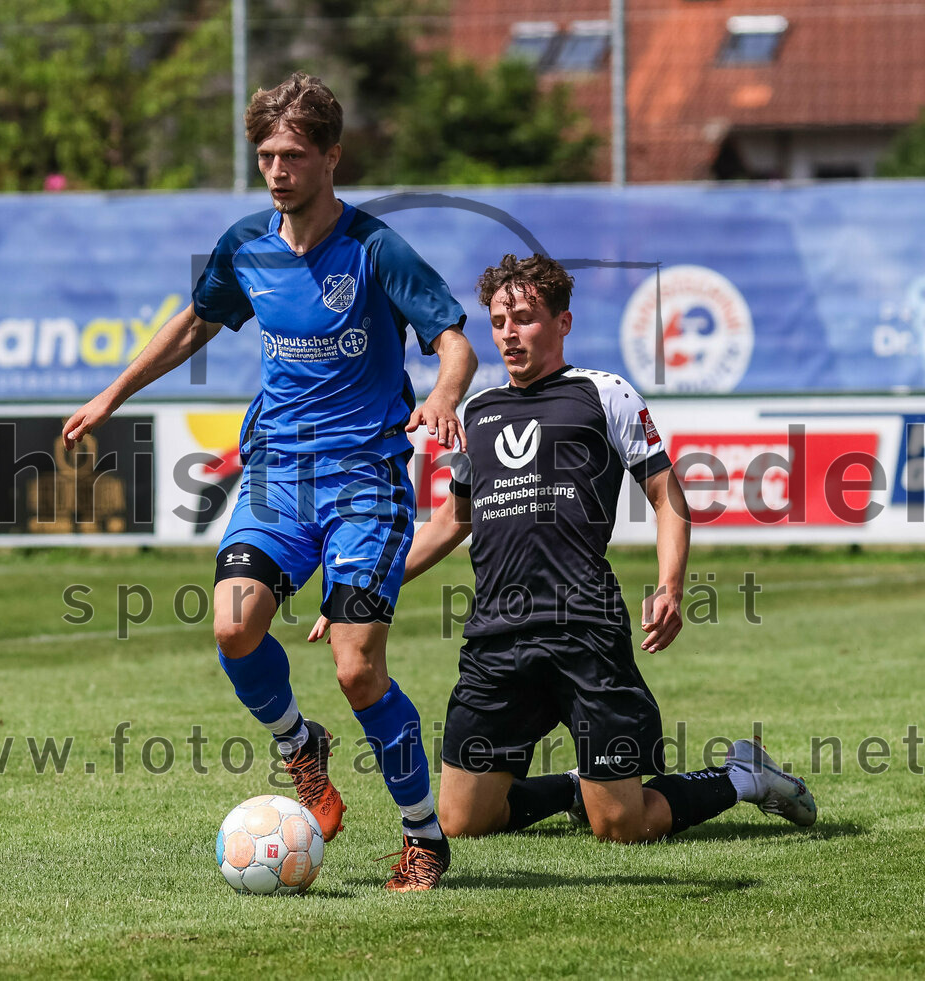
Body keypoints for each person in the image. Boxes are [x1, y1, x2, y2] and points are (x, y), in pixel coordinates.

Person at [63, 72, 477, 891]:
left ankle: (423, 835)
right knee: (232, 625)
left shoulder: (374, 248)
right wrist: (113, 392)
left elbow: (454, 338)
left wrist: (441, 393)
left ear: (331, 155)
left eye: (293, 154)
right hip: (277, 479)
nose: (278, 170)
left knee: (359, 668)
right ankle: (300, 746)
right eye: (266, 156)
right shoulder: (247, 244)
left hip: (366, 482)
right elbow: (196, 322)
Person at [313, 252, 815, 844]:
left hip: (583, 630)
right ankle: (582, 785)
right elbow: (453, 519)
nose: (508, 334)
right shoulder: (478, 411)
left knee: (622, 828)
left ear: (562, 323)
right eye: (499, 322)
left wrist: (671, 585)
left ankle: (741, 776)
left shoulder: (603, 394)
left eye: (524, 319)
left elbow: (668, 496)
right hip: (497, 637)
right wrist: (370, 587)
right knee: (462, 821)